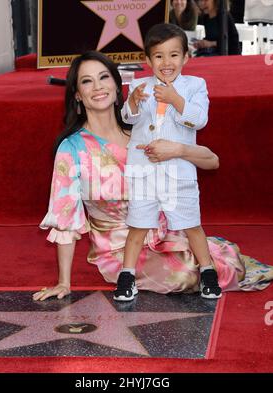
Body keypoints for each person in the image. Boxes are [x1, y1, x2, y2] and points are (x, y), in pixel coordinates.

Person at [33, 50, 273, 302]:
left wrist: (179, 149)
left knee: (215, 264)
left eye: (104, 77)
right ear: (78, 95)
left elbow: (213, 161)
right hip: (119, 249)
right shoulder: (72, 148)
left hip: (167, 232)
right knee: (186, 276)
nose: (97, 87)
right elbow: (65, 217)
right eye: (86, 81)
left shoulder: (144, 130)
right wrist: (64, 282)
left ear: (117, 87)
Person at [114, 23, 221, 302]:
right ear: (148, 61)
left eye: (174, 55)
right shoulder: (138, 85)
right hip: (144, 170)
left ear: (186, 57)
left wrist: (176, 100)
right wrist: (134, 104)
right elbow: (128, 118)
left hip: (178, 171)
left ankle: (207, 270)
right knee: (138, 224)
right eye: (158, 56)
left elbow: (199, 119)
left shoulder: (195, 86)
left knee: (191, 223)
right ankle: (127, 275)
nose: (166, 62)